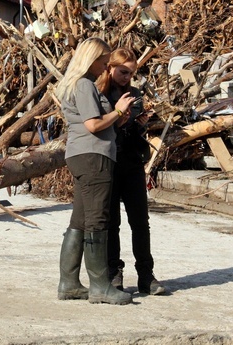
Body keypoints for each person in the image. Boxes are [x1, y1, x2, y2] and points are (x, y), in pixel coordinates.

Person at [55, 37, 135, 305]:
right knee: (98, 220)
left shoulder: (73, 84)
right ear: (91, 58)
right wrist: (118, 111)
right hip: (93, 157)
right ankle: (100, 286)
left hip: (80, 155)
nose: (105, 66)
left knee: (79, 221)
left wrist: (117, 119)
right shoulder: (84, 84)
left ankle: (68, 283)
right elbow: (93, 124)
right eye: (103, 61)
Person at [96, 48, 166, 296]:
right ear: (110, 67)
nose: (127, 77)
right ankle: (114, 272)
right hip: (109, 162)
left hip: (132, 163)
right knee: (111, 222)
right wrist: (119, 116)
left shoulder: (134, 94)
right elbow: (99, 128)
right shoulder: (98, 93)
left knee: (140, 222)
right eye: (123, 71)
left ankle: (146, 275)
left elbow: (130, 130)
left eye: (131, 73)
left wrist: (139, 124)